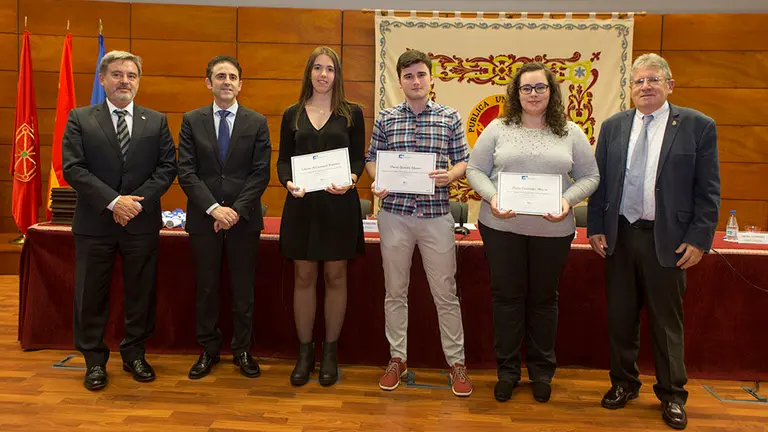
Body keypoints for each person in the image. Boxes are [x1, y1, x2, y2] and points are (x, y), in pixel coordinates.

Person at [587, 53, 720, 430]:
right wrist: (596, 225)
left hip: (669, 241)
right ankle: (624, 384)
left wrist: (699, 239)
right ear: (630, 89)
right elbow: (600, 185)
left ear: (669, 85)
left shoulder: (697, 126)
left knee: (666, 324)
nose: (645, 87)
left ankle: (673, 395)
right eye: (638, 81)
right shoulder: (613, 126)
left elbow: (708, 191)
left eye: (653, 80)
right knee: (621, 318)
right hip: (620, 237)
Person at [466, 62, 599, 403]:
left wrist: (568, 201)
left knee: (543, 301)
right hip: (501, 227)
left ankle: (541, 372)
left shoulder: (570, 132)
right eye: (526, 88)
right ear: (516, 93)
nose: (533, 94)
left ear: (552, 92)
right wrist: (492, 197)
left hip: (553, 232)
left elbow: (590, 177)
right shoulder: (497, 128)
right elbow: (475, 170)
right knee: (507, 300)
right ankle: (507, 372)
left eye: (540, 88)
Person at [62, 50, 177, 391]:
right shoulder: (80, 118)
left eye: (131, 75)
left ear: (138, 81)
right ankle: (94, 361)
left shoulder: (155, 121)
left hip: (140, 222)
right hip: (95, 223)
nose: (124, 80)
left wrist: (133, 204)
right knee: (90, 295)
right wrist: (113, 201)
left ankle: (135, 354)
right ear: (102, 79)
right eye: (117, 74)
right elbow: (73, 168)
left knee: (140, 293)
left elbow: (167, 167)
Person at [365, 49, 473, 397]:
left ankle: (457, 363)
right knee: (395, 292)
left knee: (446, 294)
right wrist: (375, 181)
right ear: (400, 81)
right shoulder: (386, 118)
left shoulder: (449, 117)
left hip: (436, 216)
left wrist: (450, 175)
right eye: (408, 76)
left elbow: (464, 162)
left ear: (431, 78)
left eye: (421, 74)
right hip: (394, 214)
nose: (415, 81)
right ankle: (398, 358)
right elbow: (371, 159)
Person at [178, 56, 271, 380]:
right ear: (209, 82)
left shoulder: (257, 122)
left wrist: (234, 211)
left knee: (243, 289)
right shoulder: (191, 120)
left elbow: (260, 174)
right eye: (220, 76)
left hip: (243, 220)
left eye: (232, 76)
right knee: (206, 288)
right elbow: (186, 172)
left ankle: (243, 349)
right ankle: (208, 350)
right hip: (204, 219)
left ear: (240, 84)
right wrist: (214, 209)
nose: (227, 81)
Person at [277, 46, 365, 387]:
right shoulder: (292, 114)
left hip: (338, 205)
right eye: (317, 68)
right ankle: (304, 354)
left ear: (337, 75)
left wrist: (352, 180)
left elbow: (357, 160)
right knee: (303, 276)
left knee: (335, 276)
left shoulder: (351, 113)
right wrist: (288, 182)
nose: (323, 74)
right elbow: (283, 160)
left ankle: (330, 353)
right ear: (309, 73)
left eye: (329, 68)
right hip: (301, 204)